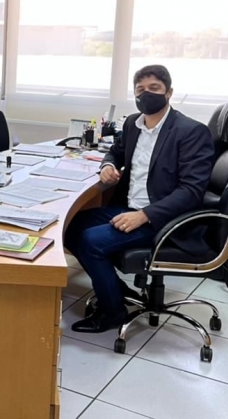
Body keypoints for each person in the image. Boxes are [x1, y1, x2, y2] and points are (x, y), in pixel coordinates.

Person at [64, 64, 214, 333]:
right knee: (71, 227)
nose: (146, 94)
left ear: (169, 93)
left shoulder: (190, 131)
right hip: (128, 207)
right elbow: (115, 153)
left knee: (91, 241)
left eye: (154, 89)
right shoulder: (133, 123)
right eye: (140, 90)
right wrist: (107, 167)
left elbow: (191, 191)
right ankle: (115, 291)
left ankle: (113, 312)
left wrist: (145, 215)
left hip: (165, 220)